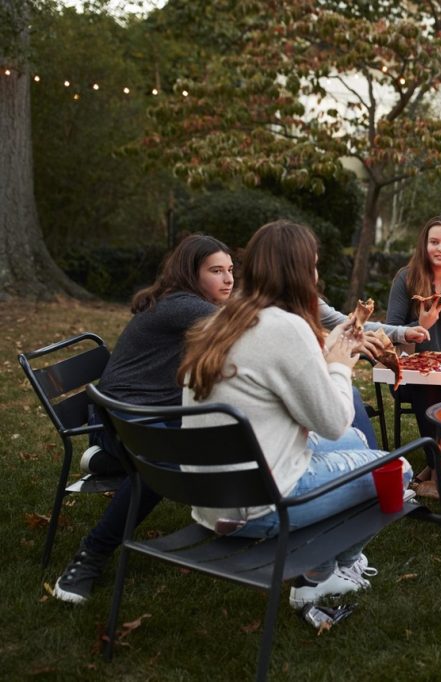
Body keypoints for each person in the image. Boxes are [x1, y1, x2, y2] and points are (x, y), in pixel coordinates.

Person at [179, 220, 412, 609]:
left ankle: (325, 570)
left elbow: (277, 386)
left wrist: (332, 350)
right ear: (303, 272)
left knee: (355, 442)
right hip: (258, 506)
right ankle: (325, 574)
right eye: (315, 265)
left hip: (213, 496)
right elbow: (334, 419)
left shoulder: (221, 321)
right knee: (397, 469)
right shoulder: (286, 327)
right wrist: (340, 363)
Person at [53, 234, 235, 604]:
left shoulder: (189, 304)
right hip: (124, 419)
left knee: (223, 436)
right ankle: (90, 555)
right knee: (163, 467)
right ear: (190, 273)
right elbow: (252, 331)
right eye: (216, 271)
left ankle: (109, 461)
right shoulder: (186, 307)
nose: (229, 279)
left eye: (231, 270)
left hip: (153, 411)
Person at [385, 215, 441, 496]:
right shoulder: (406, 278)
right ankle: (440, 472)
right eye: (434, 241)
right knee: (428, 385)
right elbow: (389, 332)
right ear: (424, 244)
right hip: (411, 374)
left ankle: (439, 468)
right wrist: (420, 326)